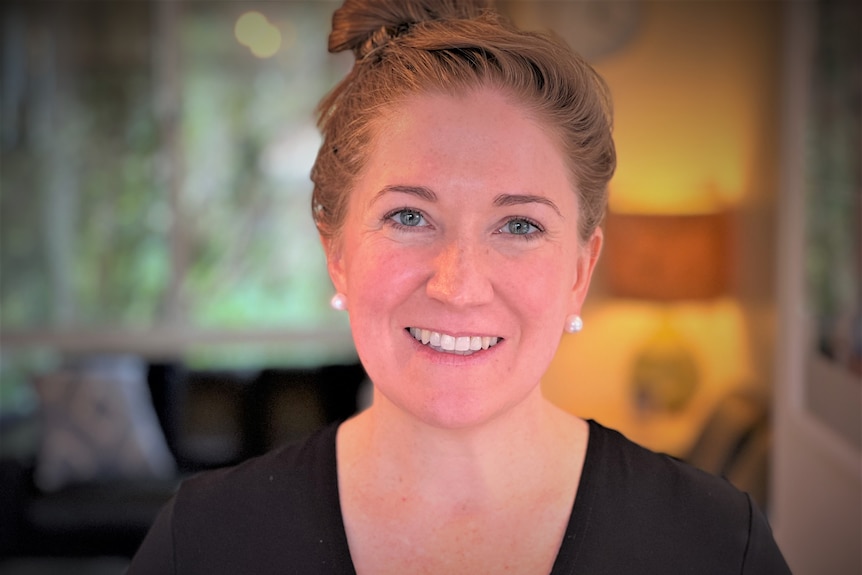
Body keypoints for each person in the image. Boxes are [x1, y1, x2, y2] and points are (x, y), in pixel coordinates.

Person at [129, 1, 791, 573]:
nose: (459, 285)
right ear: (336, 252)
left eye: (520, 225)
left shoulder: (715, 544)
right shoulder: (205, 543)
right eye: (409, 216)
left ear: (580, 272)